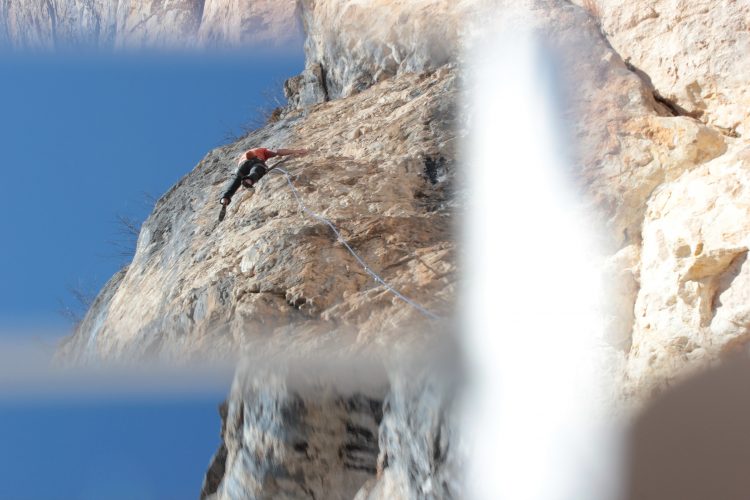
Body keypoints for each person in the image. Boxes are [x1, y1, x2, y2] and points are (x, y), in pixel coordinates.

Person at [219, 147, 309, 206]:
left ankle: (225, 198)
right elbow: (277, 152)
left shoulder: (242, 157)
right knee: (257, 169)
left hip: (240, 167)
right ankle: (250, 180)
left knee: (235, 181)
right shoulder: (262, 150)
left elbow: (237, 176)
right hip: (255, 160)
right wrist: (296, 151)